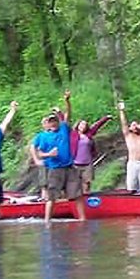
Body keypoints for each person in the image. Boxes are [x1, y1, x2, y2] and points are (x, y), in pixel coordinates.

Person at [30, 91, 85, 221]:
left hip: (69, 168)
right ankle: (47, 221)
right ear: (46, 124)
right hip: (54, 169)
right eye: (50, 122)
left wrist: (67, 101)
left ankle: (83, 219)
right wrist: (46, 155)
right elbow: (37, 151)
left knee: (77, 195)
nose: (53, 123)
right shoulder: (42, 136)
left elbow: (68, 114)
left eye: (54, 121)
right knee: (51, 197)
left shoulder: (64, 129)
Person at [71, 113, 112, 195]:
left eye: (85, 125)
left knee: (87, 182)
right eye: (81, 124)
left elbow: (97, 125)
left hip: (87, 163)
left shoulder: (89, 134)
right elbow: (64, 123)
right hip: (75, 163)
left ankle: (86, 196)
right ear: (77, 126)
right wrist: (58, 113)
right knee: (75, 183)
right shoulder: (72, 134)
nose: (83, 126)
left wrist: (106, 118)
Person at [119, 101, 140, 194]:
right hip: (132, 163)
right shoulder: (128, 135)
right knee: (131, 186)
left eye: (136, 124)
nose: (135, 126)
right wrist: (122, 110)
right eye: (133, 124)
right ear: (130, 128)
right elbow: (123, 123)